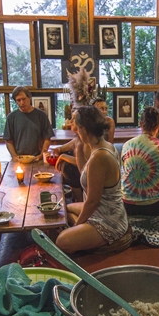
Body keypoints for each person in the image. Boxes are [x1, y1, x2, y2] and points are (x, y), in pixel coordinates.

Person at [57, 106, 129, 254]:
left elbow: (92, 201)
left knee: (61, 241)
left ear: (84, 129)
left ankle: (82, 236)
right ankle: (80, 235)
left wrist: (77, 225)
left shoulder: (100, 156)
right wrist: (78, 149)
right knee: (65, 208)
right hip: (102, 210)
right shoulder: (105, 146)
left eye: (77, 129)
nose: (76, 132)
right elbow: (85, 172)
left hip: (108, 221)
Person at [4, 86, 54, 162]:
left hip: (37, 158)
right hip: (19, 158)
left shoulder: (41, 115)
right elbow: (8, 141)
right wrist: (14, 156)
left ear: (29, 98)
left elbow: (47, 138)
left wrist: (41, 155)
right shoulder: (11, 117)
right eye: (18, 100)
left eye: (24, 99)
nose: (22, 103)